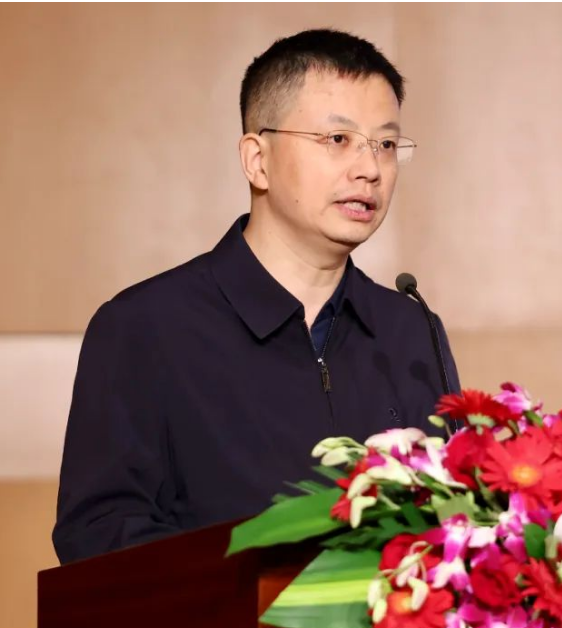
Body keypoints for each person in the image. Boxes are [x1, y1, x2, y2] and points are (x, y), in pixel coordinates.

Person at [52, 29, 460, 564]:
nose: (369, 169)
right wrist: (264, 577)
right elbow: (98, 537)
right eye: (338, 139)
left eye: (385, 144)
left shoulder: (410, 329)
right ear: (257, 160)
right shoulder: (146, 327)